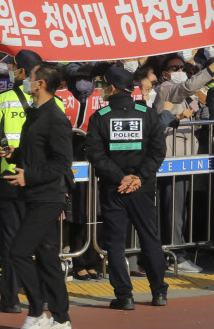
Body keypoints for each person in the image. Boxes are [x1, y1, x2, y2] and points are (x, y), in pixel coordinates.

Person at [0, 50, 63, 314]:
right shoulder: (56, 104)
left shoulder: (4, 99)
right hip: (43, 185)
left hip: (11, 179)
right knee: (42, 244)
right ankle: (45, 300)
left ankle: (10, 299)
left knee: (11, 243)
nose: (10, 70)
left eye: (14, 67)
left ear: (26, 73)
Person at [85, 66, 169, 310]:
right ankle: (159, 293)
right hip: (141, 188)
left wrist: (121, 178)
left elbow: (95, 155)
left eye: (103, 84)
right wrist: (139, 177)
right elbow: (158, 151)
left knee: (116, 243)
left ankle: (125, 296)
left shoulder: (100, 116)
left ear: (111, 87)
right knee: (150, 238)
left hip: (114, 188)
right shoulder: (147, 113)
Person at [0, 63, 73, 329]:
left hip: (49, 197)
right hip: (35, 195)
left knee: (18, 252)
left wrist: (27, 177)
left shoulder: (55, 117)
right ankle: (62, 319)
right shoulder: (35, 113)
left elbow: (62, 162)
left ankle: (37, 312)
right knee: (47, 258)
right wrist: (12, 155)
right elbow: (36, 154)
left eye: (30, 77)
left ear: (40, 84)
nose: (27, 80)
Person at [153, 53, 214, 273]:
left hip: (187, 158)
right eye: (174, 68)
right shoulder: (166, 89)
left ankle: (178, 249)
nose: (179, 70)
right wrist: (213, 67)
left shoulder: (186, 94)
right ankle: (175, 253)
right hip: (171, 159)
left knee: (181, 209)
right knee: (173, 209)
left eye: (182, 67)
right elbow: (186, 88)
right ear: (165, 73)